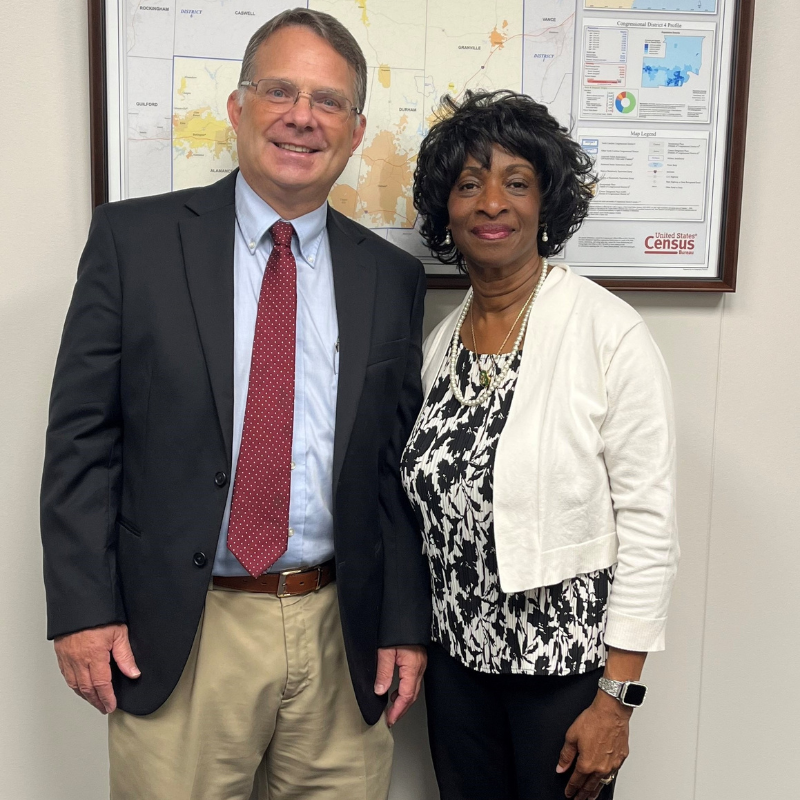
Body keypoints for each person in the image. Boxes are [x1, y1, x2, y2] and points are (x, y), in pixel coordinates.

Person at [40, 9, 430, 800]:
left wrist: (401, 623)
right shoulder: (134, 243)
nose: (301, 116)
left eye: (328, 102)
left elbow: (395, 470)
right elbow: (83, 439)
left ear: (356, 133)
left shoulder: (389, 279)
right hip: (183, 629)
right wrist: (81, 610)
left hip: (337, 631)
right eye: (280, 90)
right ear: (237, 107)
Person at [402, 90, 679, 800]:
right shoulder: (440, 343)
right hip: (455, 669)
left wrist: (617, 700)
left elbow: (649, 525)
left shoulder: (607, 333)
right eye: (469, 184)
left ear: (546, 202)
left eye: (516, 182)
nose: (492, 202)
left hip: (561, 680)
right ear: (447, 210)